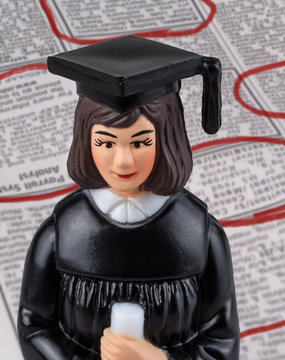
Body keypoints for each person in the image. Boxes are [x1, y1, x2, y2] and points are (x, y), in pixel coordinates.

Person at [17, 36, 239, 360]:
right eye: (106, 143)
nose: (123, 162)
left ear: (166, 139)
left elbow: (221, 343)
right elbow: (34, 327)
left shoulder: (200, 236)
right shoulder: (60, 233)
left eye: (139, 142)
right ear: (86, 141)